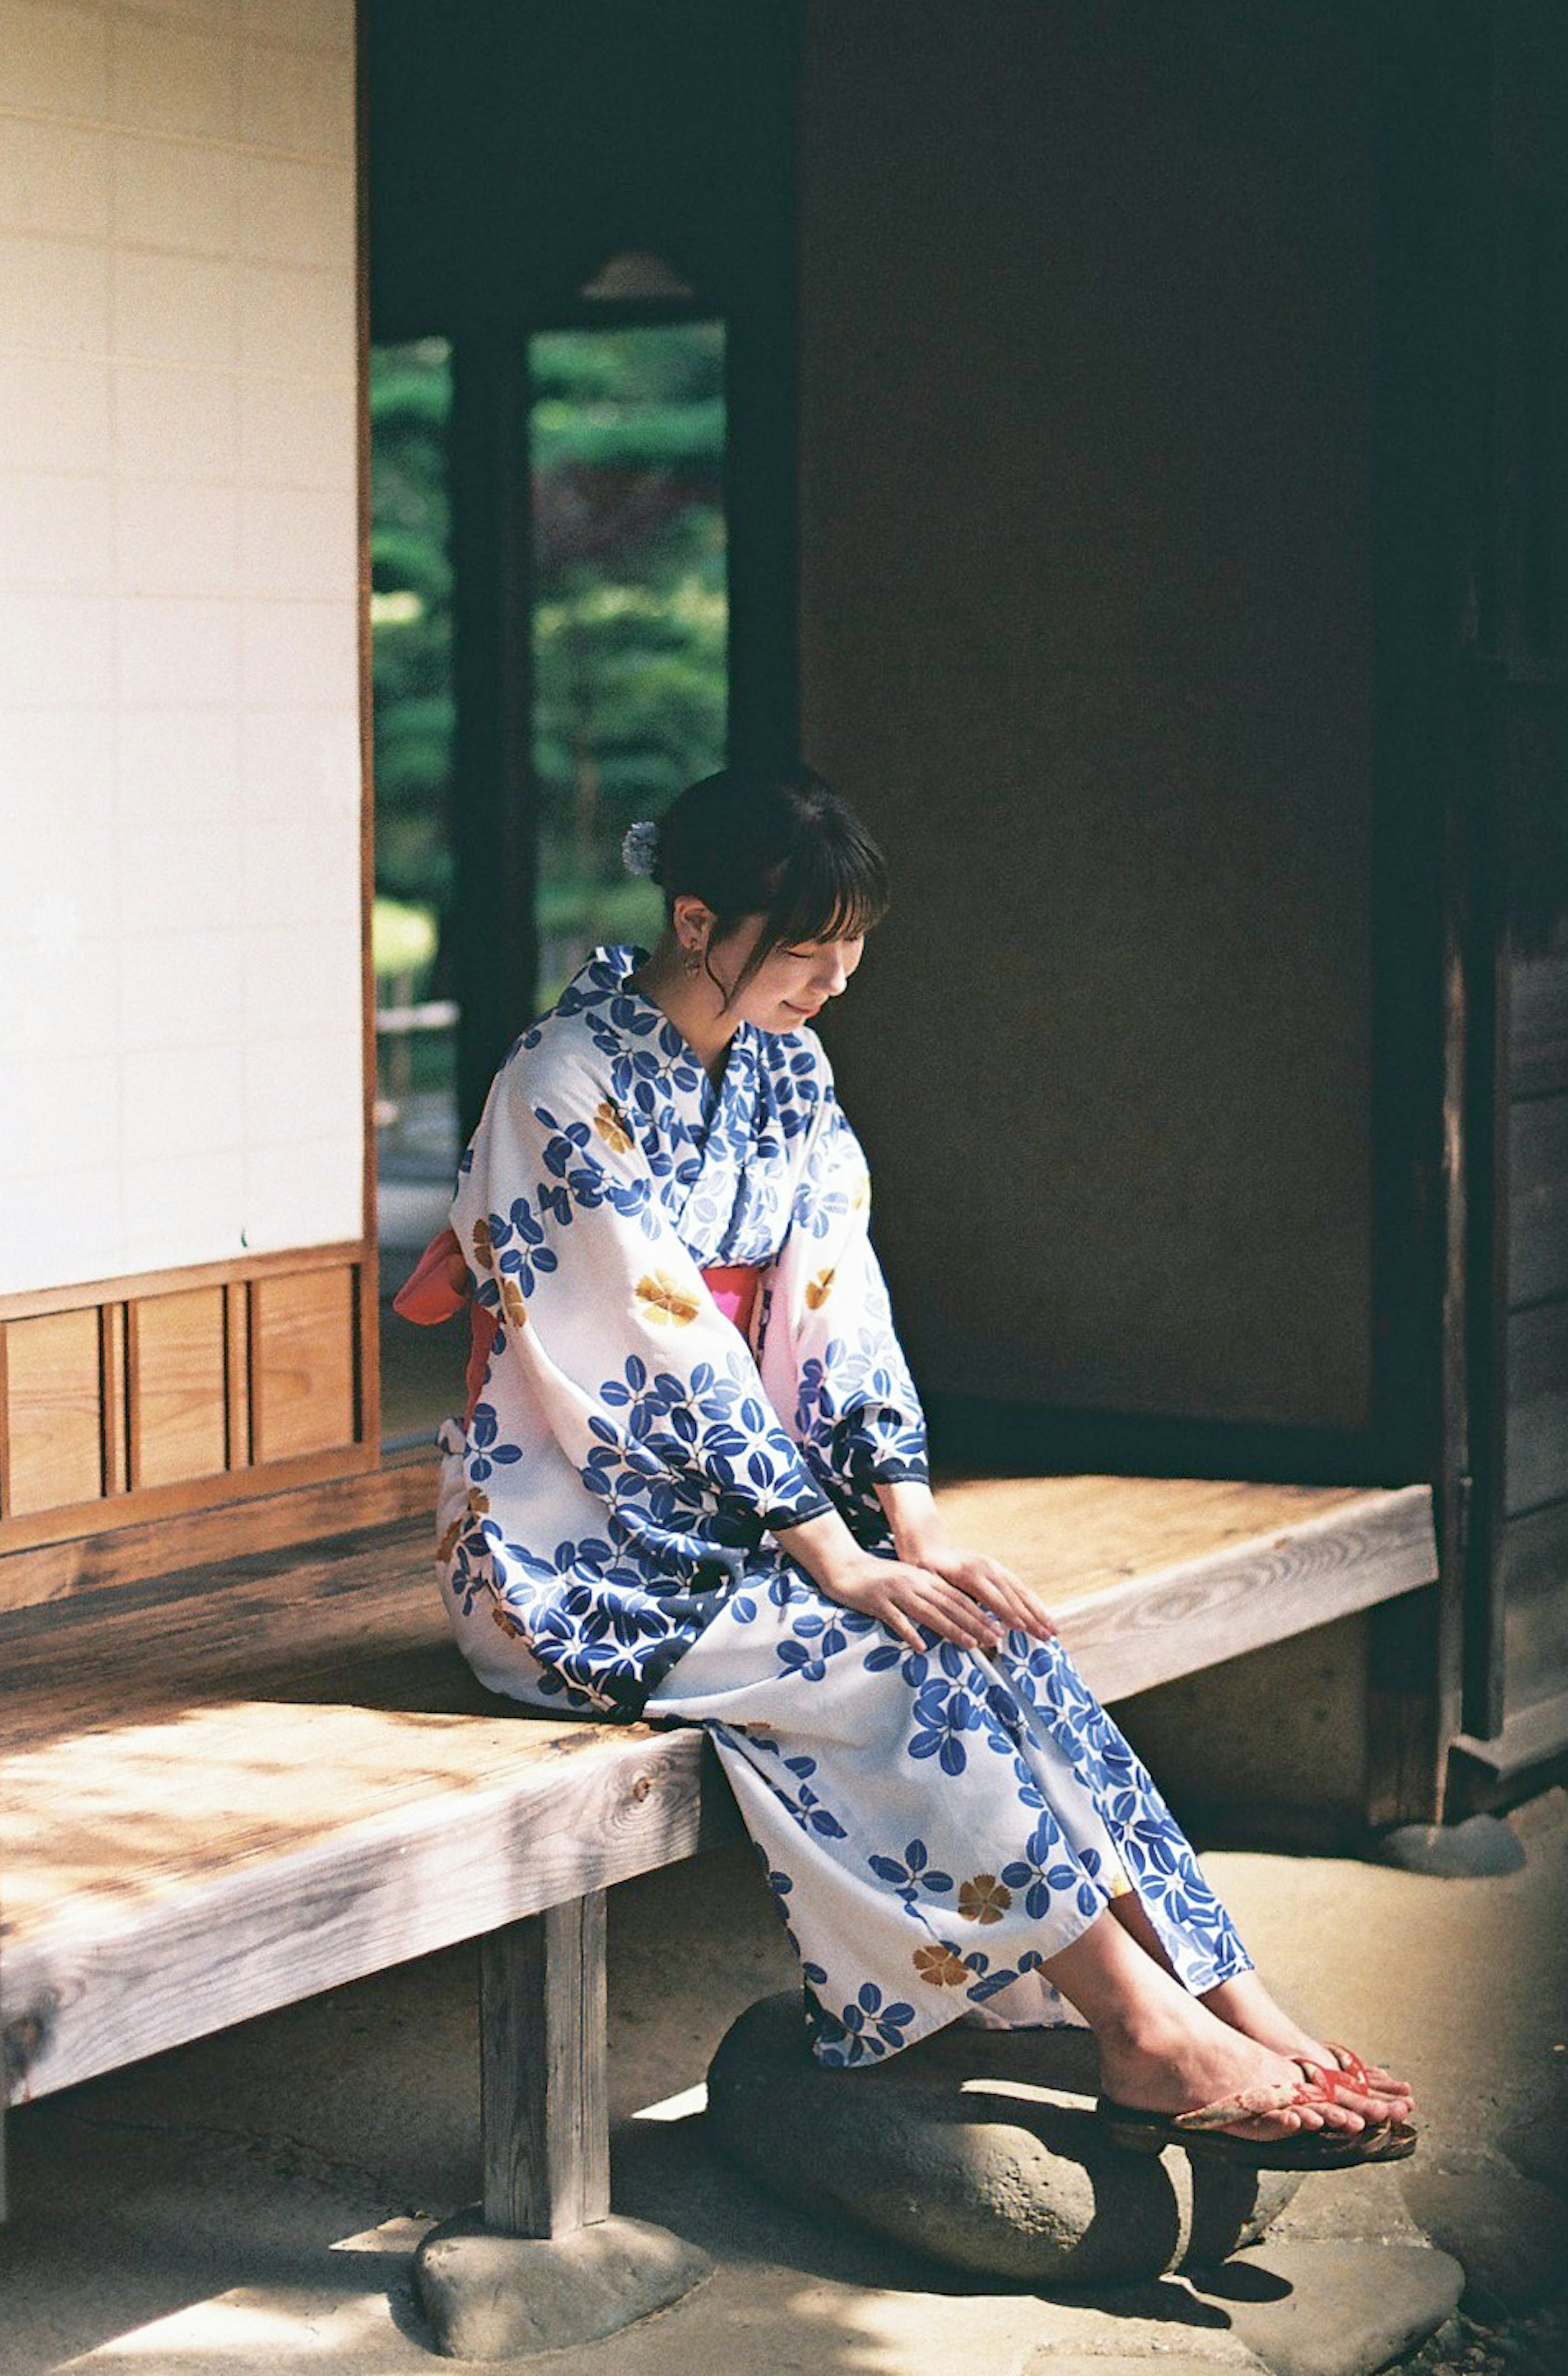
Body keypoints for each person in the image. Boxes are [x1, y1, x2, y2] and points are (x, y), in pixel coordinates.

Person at [397, 765, 1416, 2168]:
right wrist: (826, 1546)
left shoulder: (786, 1067)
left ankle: (1224, 1990)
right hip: (575, 1549)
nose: (832, 980)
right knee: (899, 1668)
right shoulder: (557, 1082)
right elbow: (659, 1337)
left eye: (849, 946)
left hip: (747, 1525)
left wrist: (911, 1524)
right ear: (697, 922)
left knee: (987, 1635)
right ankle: (1144, 2036)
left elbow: (835, 1289)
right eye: (804, 949)